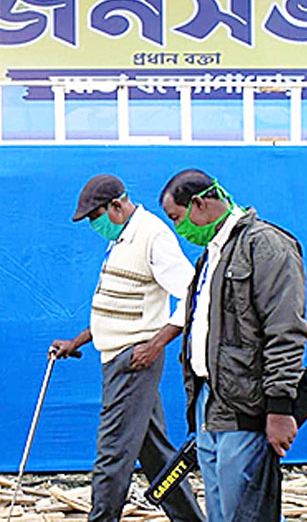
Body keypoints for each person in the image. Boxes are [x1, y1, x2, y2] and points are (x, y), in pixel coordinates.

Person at [158, 169, 307, 522]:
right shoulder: (212, 254)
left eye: (178, 218)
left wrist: (279, 407)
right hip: (210, 405)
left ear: (200, 203)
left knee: (248, 511)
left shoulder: (266, 246)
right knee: (222, 513)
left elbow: (285, 331)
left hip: (246, 407)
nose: (179, 229)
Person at [52, 175, 204, 522]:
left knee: (112, 453)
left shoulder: (152, 236)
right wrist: (76, 342)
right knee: (156, 454)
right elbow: (116, 307)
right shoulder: (121, 239)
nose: (95, 225)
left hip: (133, 361)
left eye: (96, 217)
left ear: (117, 206)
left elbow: (194, 295)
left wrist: (156, 343)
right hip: (120, 357)